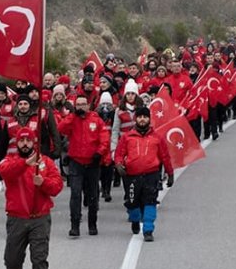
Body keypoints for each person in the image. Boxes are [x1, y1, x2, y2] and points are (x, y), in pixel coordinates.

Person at [0, 127, 63, 269]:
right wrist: (25, 163)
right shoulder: (9, 160)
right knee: (12, 259)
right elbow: (5, 171)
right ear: (17, 143)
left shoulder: (45, 162)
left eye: (28, 140)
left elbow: (57, 186)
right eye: (22, 140)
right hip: (17, 218)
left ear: (34, 142)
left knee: (39, 259)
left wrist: (43, 183)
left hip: (40, 218)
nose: (25, 144)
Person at [114, 107, 174, 242]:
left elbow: (165, 156)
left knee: (150, 202)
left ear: (149, 119)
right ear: (136, 119)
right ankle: (135, 220)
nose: (142, 119)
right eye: (140, 117)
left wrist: (170, 173)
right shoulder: (127, 137)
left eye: (145, 117)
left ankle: (148, 230)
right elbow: (119, 154)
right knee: (132, 203)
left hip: (151, 175)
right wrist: (118, 164)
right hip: (132, 176)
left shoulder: (157, 138)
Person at [57, 95, 110, 237]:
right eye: (78, 104)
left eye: (83, 104)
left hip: (92, 162)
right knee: (75, 194)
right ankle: (75, 225)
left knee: (93, 195)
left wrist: (99, 153)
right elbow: (61, 128)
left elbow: (104, 138)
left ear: (88, 105)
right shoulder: (72, 120)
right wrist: (72, 116)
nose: (81, 107)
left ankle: (92, 223)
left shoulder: (96, 120)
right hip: (76, 162)